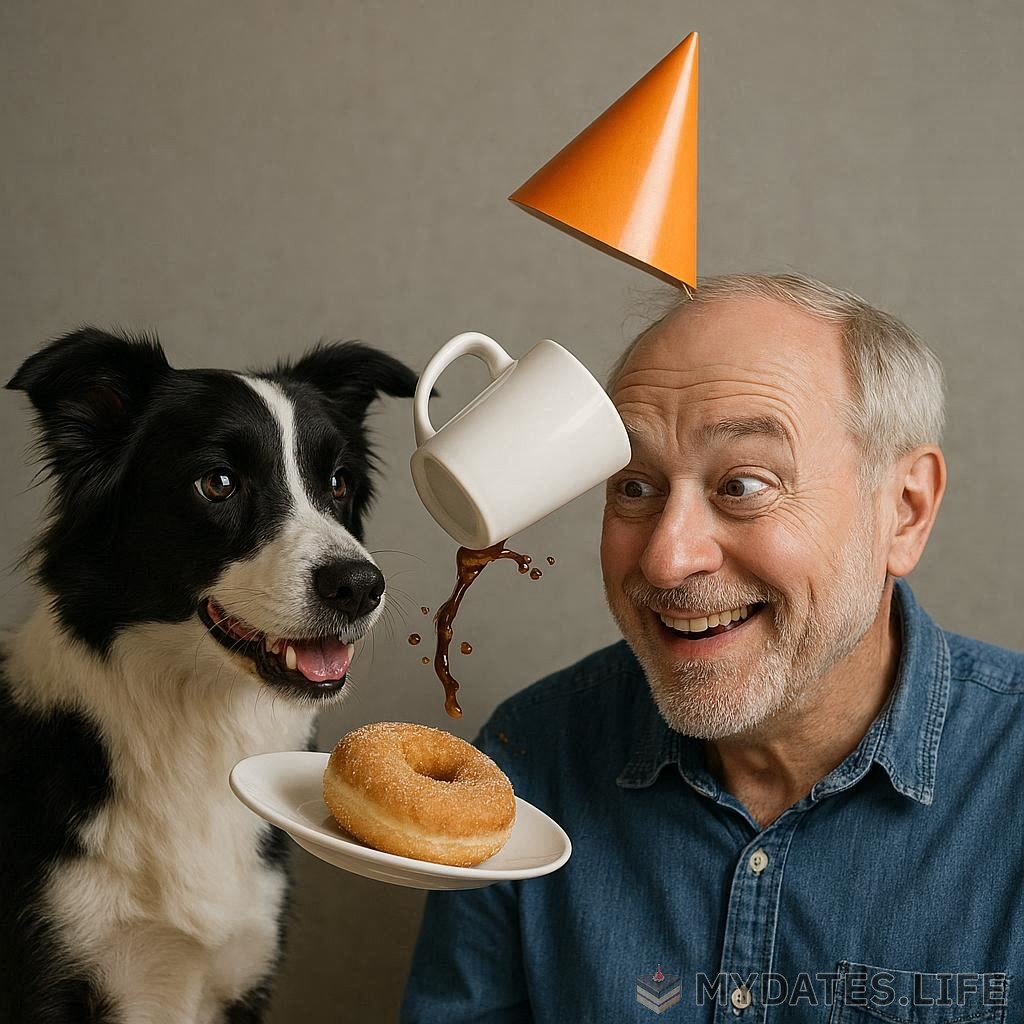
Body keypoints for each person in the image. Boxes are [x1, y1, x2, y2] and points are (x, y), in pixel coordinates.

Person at [399, 273, 1022, 1023]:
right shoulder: (528, 761)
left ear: (904, 511)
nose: (666, 560)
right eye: (633, 486)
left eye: (745, 484)